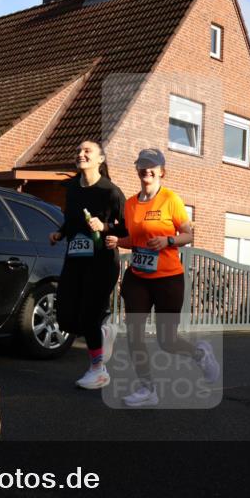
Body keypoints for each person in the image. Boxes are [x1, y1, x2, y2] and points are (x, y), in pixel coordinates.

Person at [105, 149, 219, 407]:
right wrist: (117, 241)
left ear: (161, 171)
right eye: (142, 165)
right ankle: (148, 389)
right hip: (139, 277)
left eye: (152, 165)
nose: (147, 169)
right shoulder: (131, 203)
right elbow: (135, 240)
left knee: (167, 341)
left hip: (168, 278)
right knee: (134, 334)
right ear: (137, 170)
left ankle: (200, 354)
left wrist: (168, 240)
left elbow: (188, 235)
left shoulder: (171, 199)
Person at [48, 140, 127, 389]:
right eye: (79, 150)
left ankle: (98, 369)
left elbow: (125, 228)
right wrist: (60, 233)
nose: (81, 154)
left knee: (89, 315)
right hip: (74, 259)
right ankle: (104, 334)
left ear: (100, 159)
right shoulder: (72, 188)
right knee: (66, 318)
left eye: (87, 151)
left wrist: (104, 227)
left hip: (102, 261)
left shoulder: (110, 192)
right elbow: (71, 220)